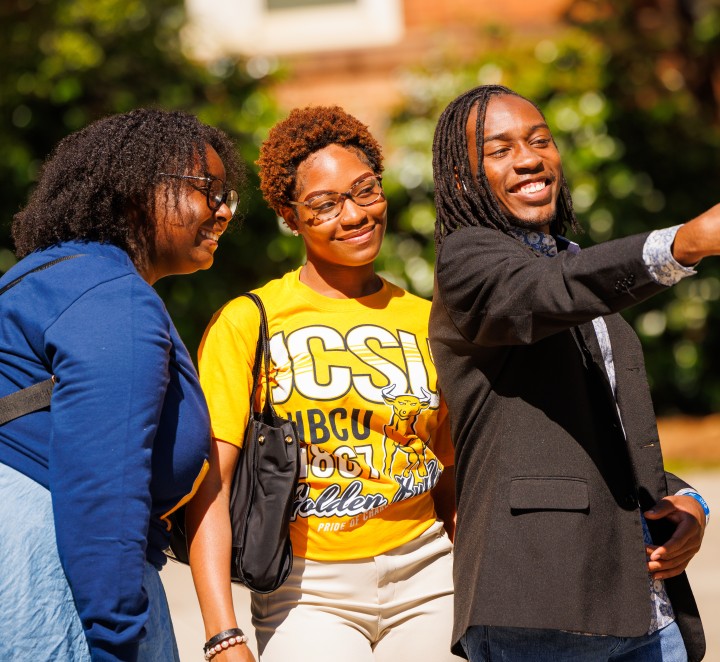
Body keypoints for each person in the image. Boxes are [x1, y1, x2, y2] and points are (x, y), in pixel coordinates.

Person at [428, 83, 714, 662]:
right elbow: (543, 292)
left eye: (539, 141)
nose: (530, 158)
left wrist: (686, 503)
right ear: (461, 179)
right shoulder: (468, 263)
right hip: (540, 603)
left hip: (643, 600)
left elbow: (595, 422)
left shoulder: (571, 263)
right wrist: (681, 245)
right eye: (499, 149)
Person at [186, 105, 459, 662]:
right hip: (307, 588)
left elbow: (451, 469)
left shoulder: (429, 320)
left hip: (432, 574)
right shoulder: (249, 320)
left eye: (365, 191)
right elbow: (211, 483)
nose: (354, 215)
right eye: (325, 204)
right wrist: (222, 634)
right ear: (289, 215)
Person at [0, 108, 244, 661]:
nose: (225, 210)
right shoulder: (112, 297)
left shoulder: (44, 276)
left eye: (230, 195)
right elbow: (103, 486)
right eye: (209, 190)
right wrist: (119, 643)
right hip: (60, 596)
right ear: (141, 191)